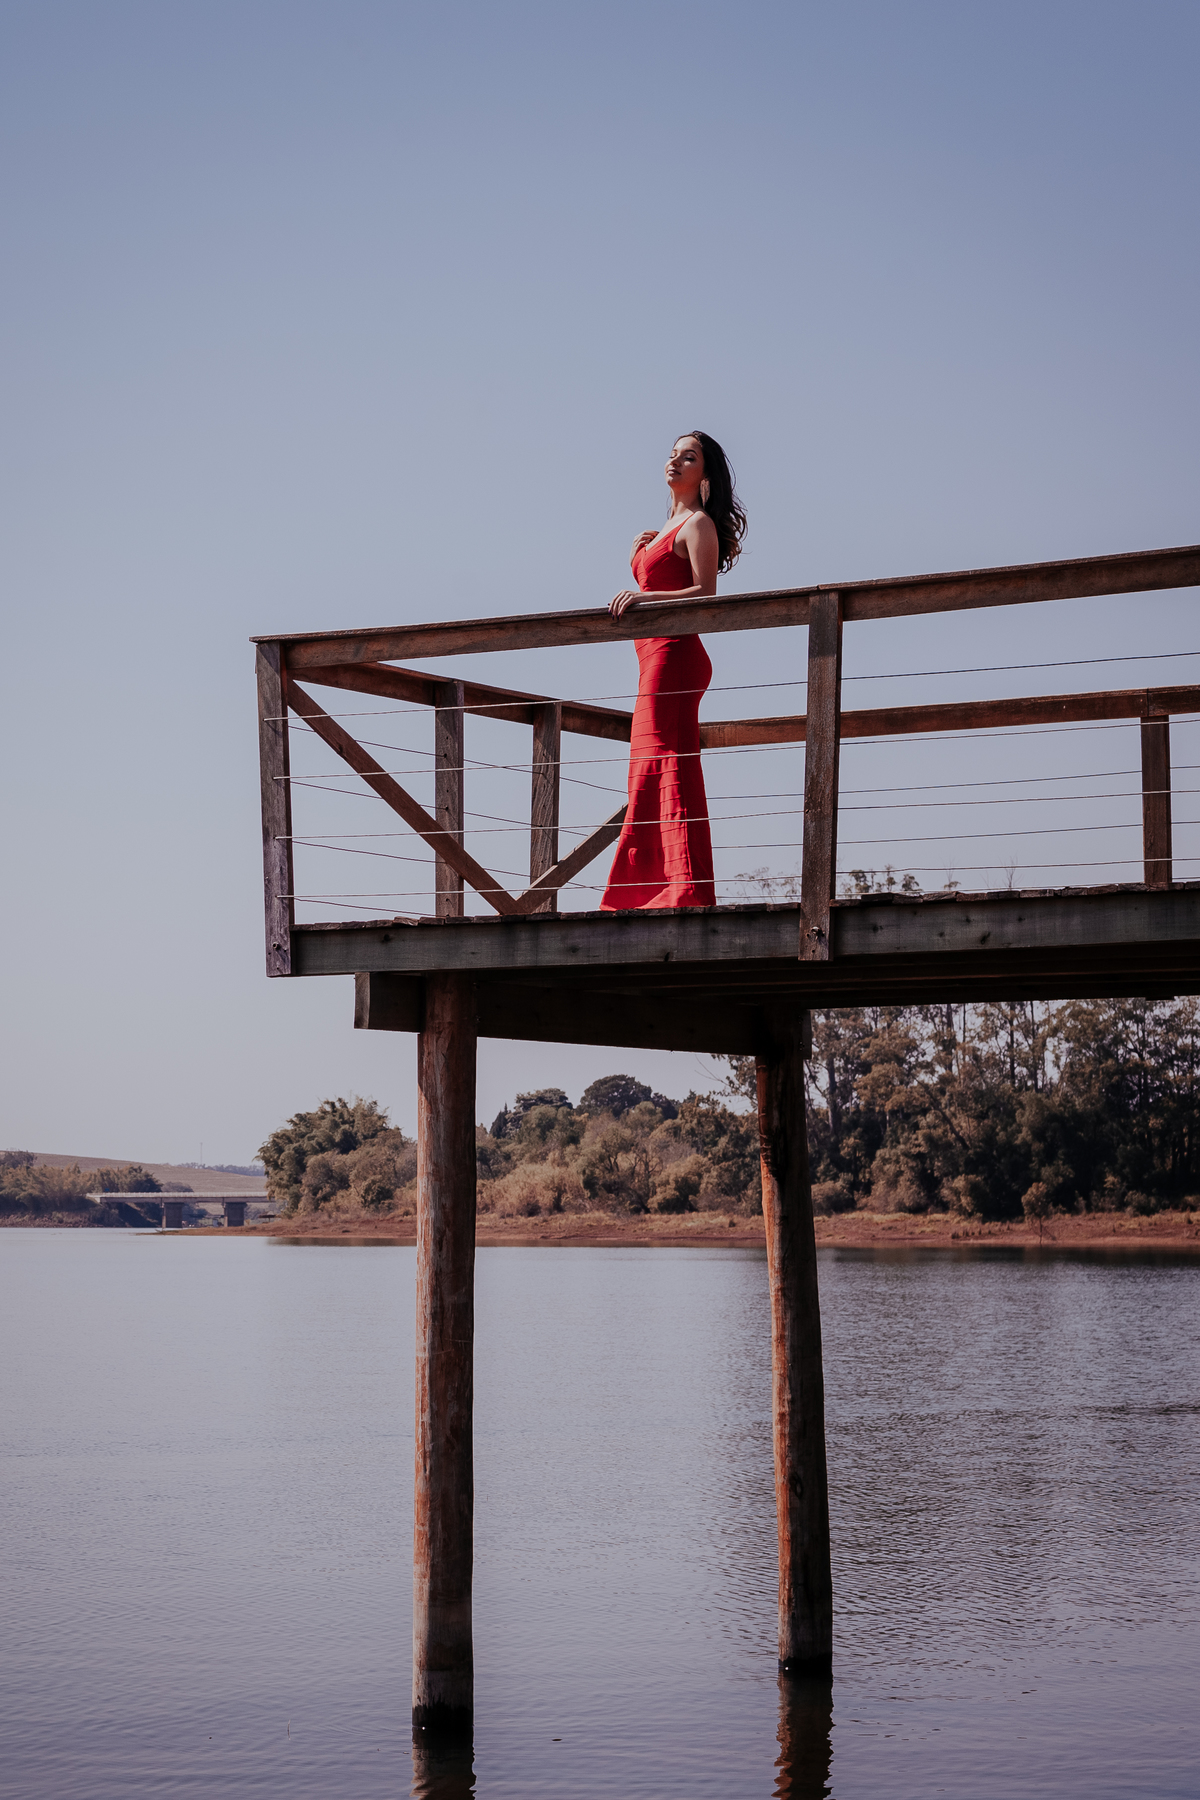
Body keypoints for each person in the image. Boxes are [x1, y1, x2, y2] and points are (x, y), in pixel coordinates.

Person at [599, 432, 747, 911]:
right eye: (672, 454)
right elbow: (656, 580)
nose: (675, 461)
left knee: (667, 761)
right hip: (651, 658)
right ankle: (645, 889)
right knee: (648, 763)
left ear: (705, 475)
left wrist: (643, 596)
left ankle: (681, 888)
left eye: (689, 457)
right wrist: (636, 558)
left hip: (675, 655)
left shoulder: (699, 524)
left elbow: (705, 593)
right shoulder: (664, 529)